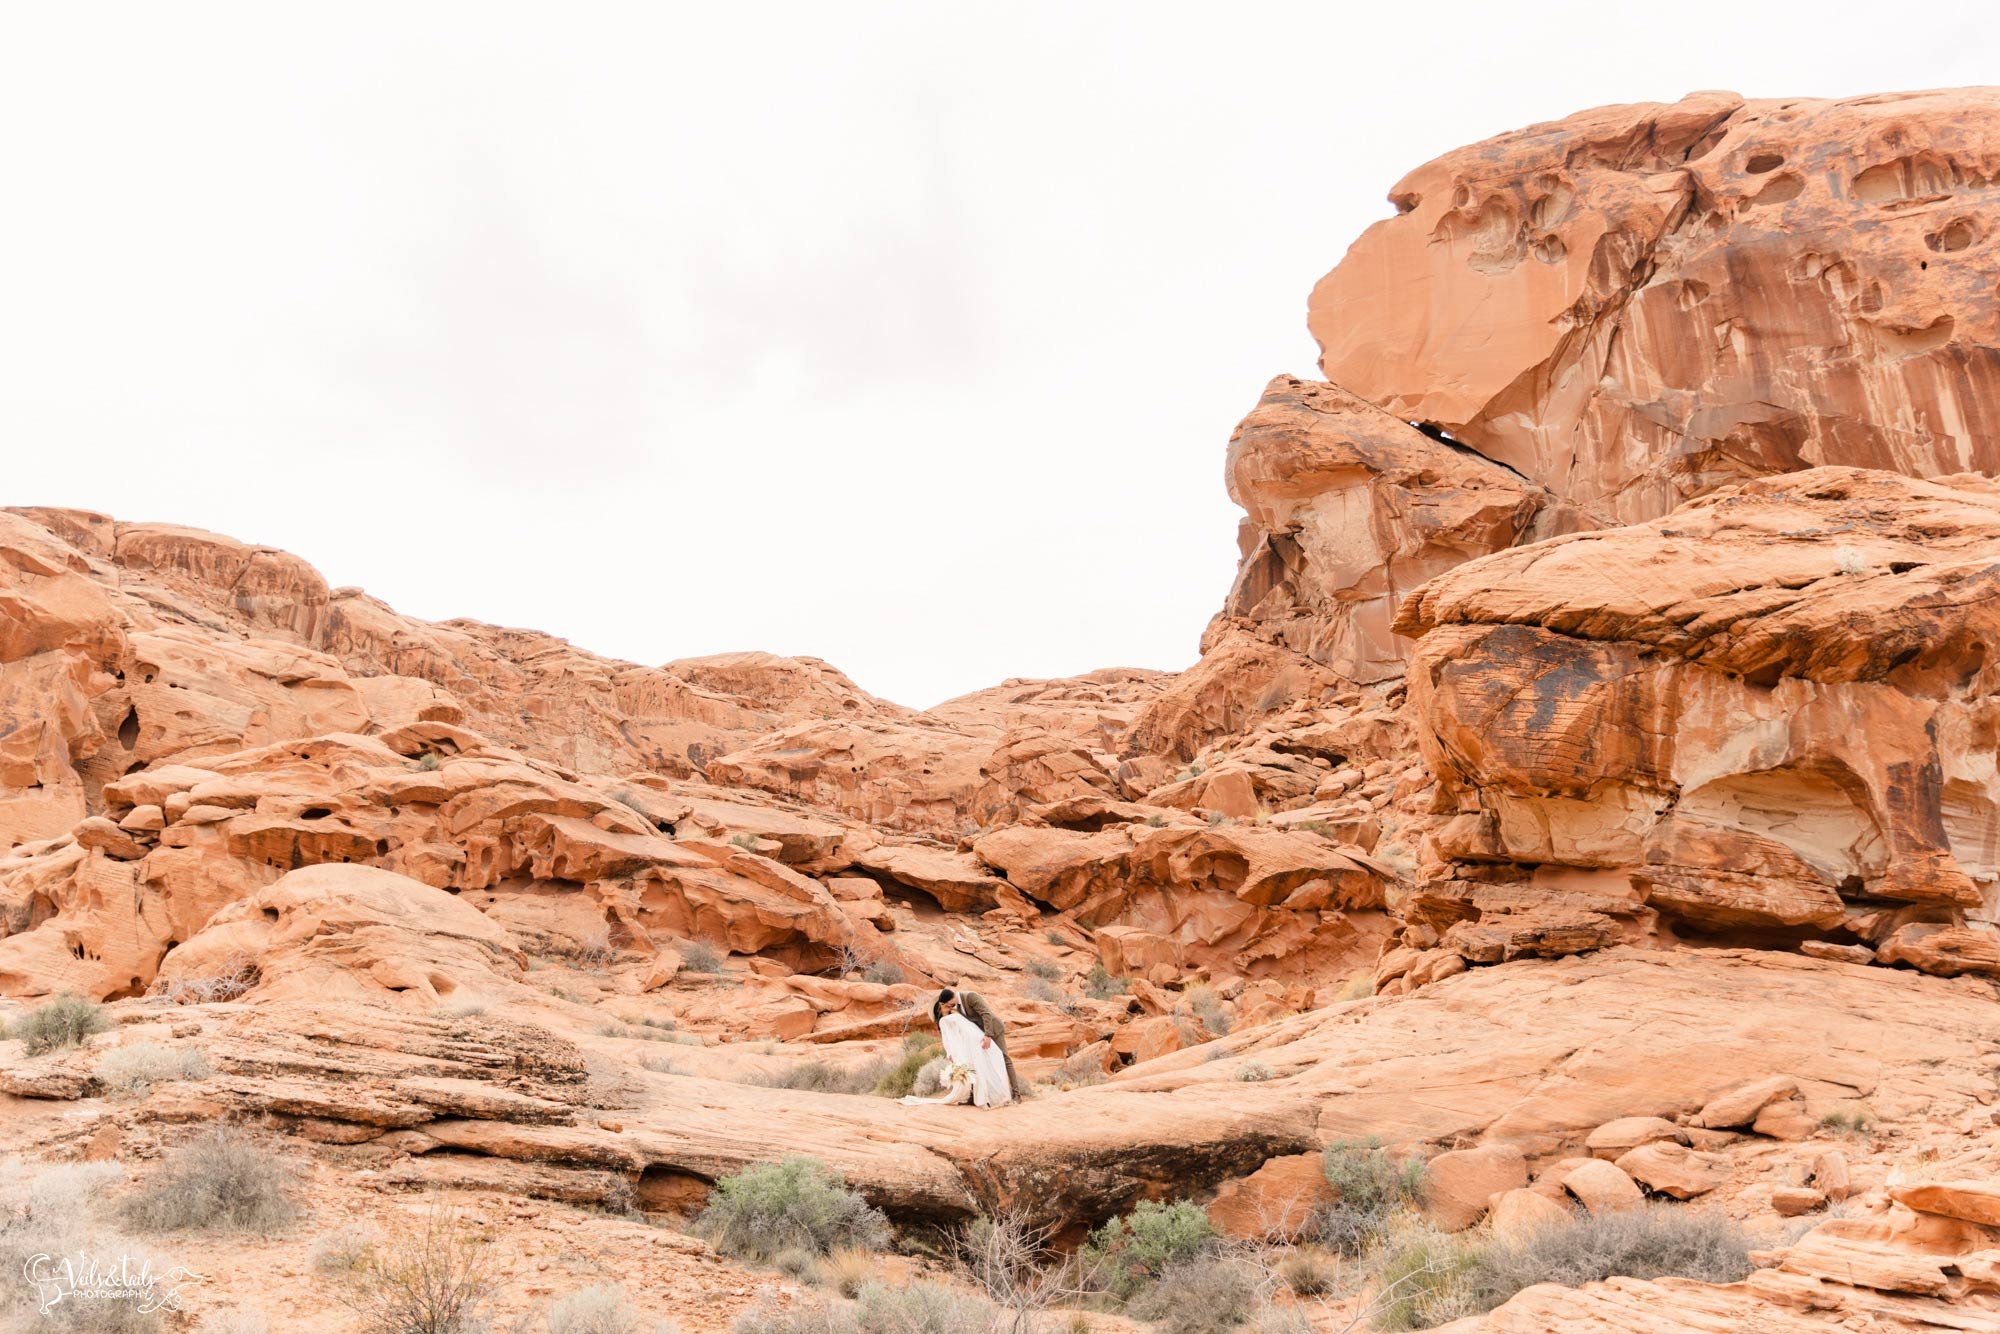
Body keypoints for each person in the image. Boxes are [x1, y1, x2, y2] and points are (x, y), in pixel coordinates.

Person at [899, 989, 1013, 1108]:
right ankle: (978, 1097)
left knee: (986, 1064)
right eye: (946, 1005)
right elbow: (949, 1039)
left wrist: (983, 1037)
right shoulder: (944, 1021)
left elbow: (966, 1028)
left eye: (949, 1005)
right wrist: (951, 1053)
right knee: (975, 1069)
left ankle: (994, 1095)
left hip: (975, 1041)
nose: (950, 1006)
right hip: (968, 1045)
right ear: (941, 1005)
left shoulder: (955, 1014)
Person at [938, 987, 1026, 1100]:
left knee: (1005, 1059)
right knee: (977, 1062)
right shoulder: (959, 1007)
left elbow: (986, 1014)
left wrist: (988, 1035)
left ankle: (1017, 1094)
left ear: (951, 999)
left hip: (994, 1030)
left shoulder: (970, 997)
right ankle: (976, 1095)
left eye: (948, 1004)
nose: (949, 1007)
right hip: (982, 1034)